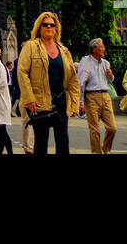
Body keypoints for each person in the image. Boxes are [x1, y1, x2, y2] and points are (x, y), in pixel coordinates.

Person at [17, 11, 79, 155]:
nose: (49, 27)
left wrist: (74, 103)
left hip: (61, 101)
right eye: (45, 25)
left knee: (63, 140)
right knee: (41, 141)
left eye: (52, 25)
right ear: (39, 27)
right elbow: (22, 72)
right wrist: (29, 98)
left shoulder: (64, 51)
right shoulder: (30, 46)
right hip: (39, 101)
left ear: (56, 28)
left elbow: (72, 80)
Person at [77, 38, 117, 154]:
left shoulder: (105, 63)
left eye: (103, 46)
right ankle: (96, 152)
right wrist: (81, 102)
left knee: (112, 128)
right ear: (94, 49)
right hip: (91, 97)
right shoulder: (85, 62)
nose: (103, 49)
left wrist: (111, 75)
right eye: (101, 46)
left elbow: (110, 80)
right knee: (94, 130)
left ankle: (105, 148)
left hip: (105, 95)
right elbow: (81, 82)